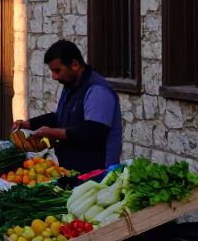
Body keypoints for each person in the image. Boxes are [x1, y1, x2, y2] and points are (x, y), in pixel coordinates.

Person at [14, 39, 122, 173]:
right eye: (52, 71)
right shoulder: (70, 86)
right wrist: (29, 124)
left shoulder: (97, 90)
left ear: (75, 64)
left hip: (95, 175)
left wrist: (52, 133)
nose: (54, 77)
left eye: (57, 70)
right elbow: (59, 118)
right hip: (71, 170)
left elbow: (93, 133)